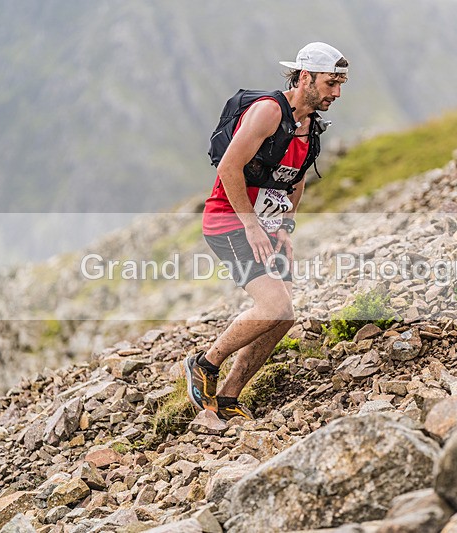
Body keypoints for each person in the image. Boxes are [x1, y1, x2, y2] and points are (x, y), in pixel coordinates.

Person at [185, 42, 349, 421]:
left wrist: (285, 227)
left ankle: (227, 397)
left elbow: (297, 180)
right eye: (330, 83)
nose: (336, 93)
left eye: (341, 84)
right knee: (274, 306)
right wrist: (251, 224)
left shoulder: (310, 125)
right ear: (305, 76)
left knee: (284, 317)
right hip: (229, 220)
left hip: (268, 226)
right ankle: (204, 365)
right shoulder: (267, 112)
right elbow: (228, 168)